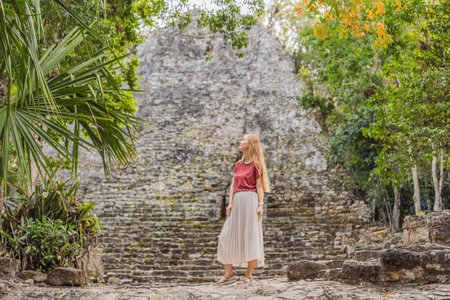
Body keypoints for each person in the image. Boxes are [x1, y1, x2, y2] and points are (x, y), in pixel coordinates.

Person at [215, 133, 270, 285]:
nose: (240, 141)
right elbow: (233, 185)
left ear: (250, 144)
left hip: (251, 201)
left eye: (244, 140)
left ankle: (248, 275)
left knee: (251, 235)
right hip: (238, 201)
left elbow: (259, 186)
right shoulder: (238, 164)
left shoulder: (256, 164)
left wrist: (261, 205)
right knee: (226, 236)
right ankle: (229, 274)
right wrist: (230, 203)